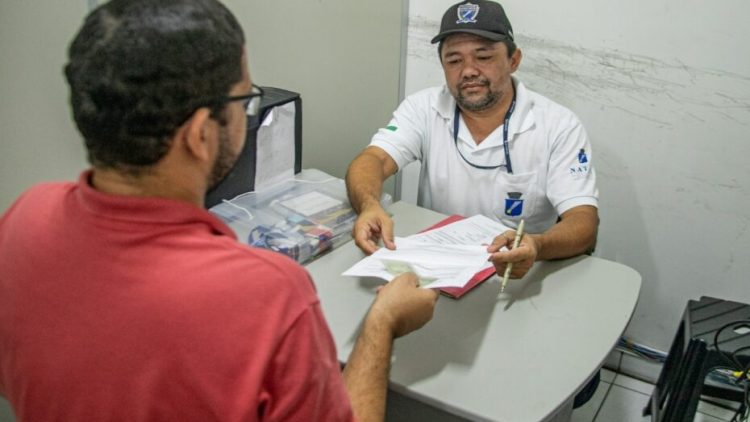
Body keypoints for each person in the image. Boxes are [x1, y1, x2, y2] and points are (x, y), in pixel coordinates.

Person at [0, 1, 438, 421]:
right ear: (198, 135)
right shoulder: (268, 295)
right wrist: (381, 326)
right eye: (244, 102)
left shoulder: (24, 219)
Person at [346, 0, 599, 281]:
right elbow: (372, 160)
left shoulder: (559, 125)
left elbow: (583, 222)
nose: (468, 70)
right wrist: (369, 205)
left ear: (513, 60)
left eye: (484, 57)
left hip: (517, 275)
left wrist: (537, 245)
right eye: (454, 60)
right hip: (436, 271)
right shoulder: (423, 107)